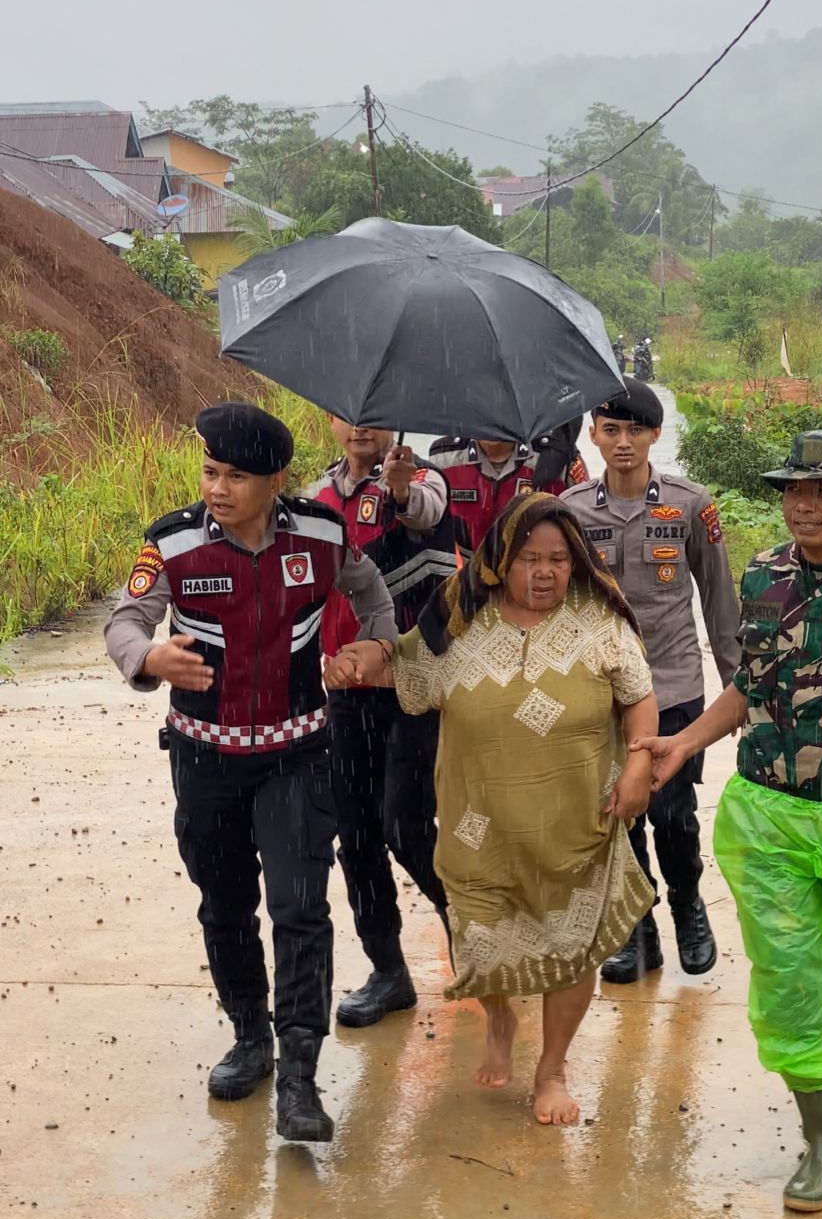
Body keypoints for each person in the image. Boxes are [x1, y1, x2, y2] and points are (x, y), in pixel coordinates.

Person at [104, 402, 397, 1145]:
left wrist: (376, 647)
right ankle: (249, 1037)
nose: (219, 488)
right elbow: (126, 620)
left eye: (237, 476)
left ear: (277, 481)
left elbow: (370, 594)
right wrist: (147, 658)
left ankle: (300, 1076)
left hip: (299, 754)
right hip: (205, 758)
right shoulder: (171, 545)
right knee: (224, 906)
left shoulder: (323, 536)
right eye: (211, 471)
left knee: (300, 907)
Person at [633, 430, 822, 1213]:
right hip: (771, 817)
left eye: (821, 492)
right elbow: (749, 686)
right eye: (792, 490)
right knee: (794, 984)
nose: (801, 506)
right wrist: (684, 741)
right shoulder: (764, 576)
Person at [325, 492, 657, 1126]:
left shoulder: (600, 620)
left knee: (573, 947)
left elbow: (640, 698)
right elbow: (403, 666)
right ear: (500, 559)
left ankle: (552, 1067)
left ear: (577, 561)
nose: (544, 573)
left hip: (578, 823)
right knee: (479, 937)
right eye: (529, 557)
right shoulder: (459, 621)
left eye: (558, 559)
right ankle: (500, 1018)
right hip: (480, 827)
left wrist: (639, 766)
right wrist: (366, 659)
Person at [564, 379, 740, 982]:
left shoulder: (691, 505)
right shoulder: (572, 510)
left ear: (655, 436)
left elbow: (719, 600)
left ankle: (689, 906)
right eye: (610, 430)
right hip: (603, 692)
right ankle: (636, 928)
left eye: (635, 430)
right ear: (593, 435)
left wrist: (741, 692)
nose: (623, 442)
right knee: (619, 811)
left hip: (674, 687)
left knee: (671, 814)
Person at [312, 419, 457, 1027]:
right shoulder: (316, 500)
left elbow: (426, 512)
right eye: (348, 412)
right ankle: (388, 970)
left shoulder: (422, 478)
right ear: (332, 419)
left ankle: (471, 927)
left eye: (373, 414)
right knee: (357, 834)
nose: (360, 425)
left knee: (404, 822)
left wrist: (398, 492)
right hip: (344, 691)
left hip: (414, 685)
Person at [429, 422, 588, 558]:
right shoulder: (444, 456)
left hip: (537, 577)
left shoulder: (556, 455)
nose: (488, 419)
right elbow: (428, 527)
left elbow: (585, 528)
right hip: (465, 582)